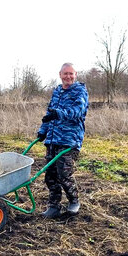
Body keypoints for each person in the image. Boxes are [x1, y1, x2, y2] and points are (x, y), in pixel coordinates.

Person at [37, 63, 89, 218]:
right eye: (65, 74)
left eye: (71, 74)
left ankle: (74, 201)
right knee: (50, 175)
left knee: (64, 173)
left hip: (69, 139)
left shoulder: (80, 91)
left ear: (75, 74)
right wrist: (42, 131)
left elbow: (77, 111)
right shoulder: (57, 92)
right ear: (60, 74)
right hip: (53, 139)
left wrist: (58, 114)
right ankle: (54, 206)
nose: (68, 77)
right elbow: (49, 113)